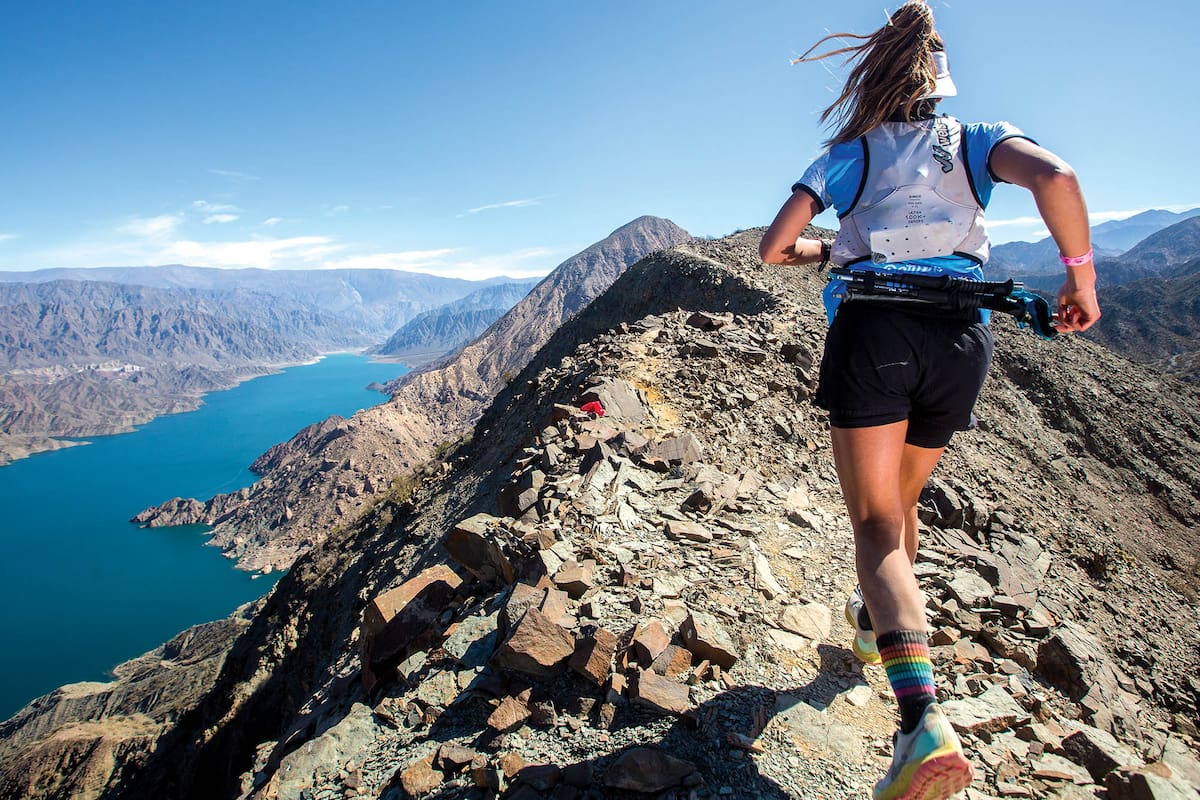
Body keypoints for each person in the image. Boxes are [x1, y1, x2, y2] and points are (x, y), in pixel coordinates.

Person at [758, 3, 1100, 799]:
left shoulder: (846, 155)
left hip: (875, 333)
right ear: (940, 82)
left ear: (874, 80)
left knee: (875, 524)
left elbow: (773, 248)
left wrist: (830, 249)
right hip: (961, 341)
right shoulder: (979, 140)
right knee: (904, 501)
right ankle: (877, 626)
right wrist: (1080, 279)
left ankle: (921, 721)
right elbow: (1058, 177)